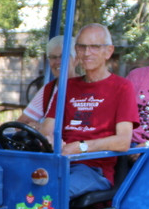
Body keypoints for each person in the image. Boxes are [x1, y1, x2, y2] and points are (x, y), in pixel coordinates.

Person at [36, 24, 138, 198]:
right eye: (82, 47)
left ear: (109, 51)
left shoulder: (121, 87)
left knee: (52, 193)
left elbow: (123, 141)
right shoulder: (67, 86)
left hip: (93, 169)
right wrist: (50, 140)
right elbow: (47, 129)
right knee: (18, 186)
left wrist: (81, 147)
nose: (86, 52)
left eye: (94, 47)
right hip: (60, 163)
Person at [18, 35, 77, 128]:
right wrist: (41, 128)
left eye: (63, 56)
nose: (58, 61)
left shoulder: (86, 88)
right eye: (53, 57)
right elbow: (20, 124)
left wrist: (44, 127)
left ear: (76, 60)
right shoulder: (49, 90)